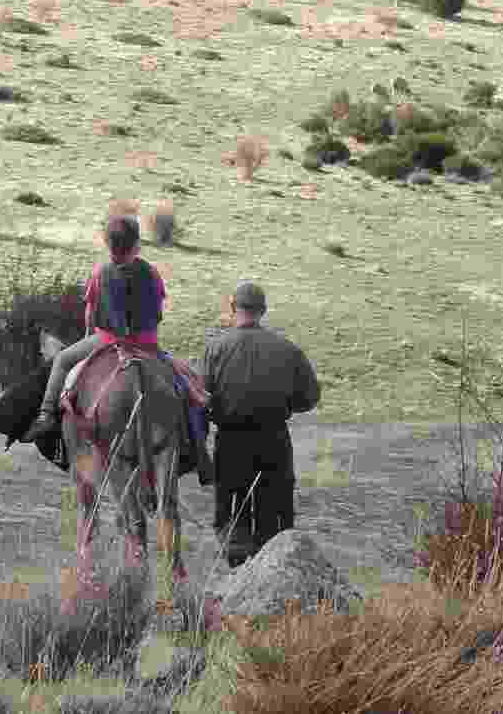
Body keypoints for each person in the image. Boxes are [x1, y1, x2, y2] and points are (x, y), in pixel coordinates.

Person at [202, 281, 321, 569]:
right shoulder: (288, 349)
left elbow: (201, 398)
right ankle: (271, 582)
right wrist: (283, 406)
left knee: (233, 514)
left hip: (231, 443)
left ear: (233, 309)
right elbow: (310, 397)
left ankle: (237, 581)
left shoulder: (216, 349)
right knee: (273, 518)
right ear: (263, 311)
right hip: (274, 442)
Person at [24, 215, 170, 444]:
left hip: (108, 341)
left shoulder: (100, 273)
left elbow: (90, 314)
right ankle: (196, 443)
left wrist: (88, 338)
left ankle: (46, 414)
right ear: (137, 245)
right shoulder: (152, 273)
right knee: (182, 381)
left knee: (62, 360)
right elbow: (157, 313)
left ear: (107, 244)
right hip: (147, 345)